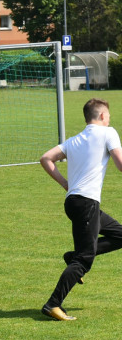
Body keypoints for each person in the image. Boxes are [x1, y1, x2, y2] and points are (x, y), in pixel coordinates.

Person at [39, 98, 122, 320]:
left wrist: (65, 183)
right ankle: (53, 304)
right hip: (86, 203)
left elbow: (46, 158)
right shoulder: (108, 132)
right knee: (84, 260)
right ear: (103, 115)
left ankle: (72, 256)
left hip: (74, 202)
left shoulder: (74, 140)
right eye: (109, 116)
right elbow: (121, 164)